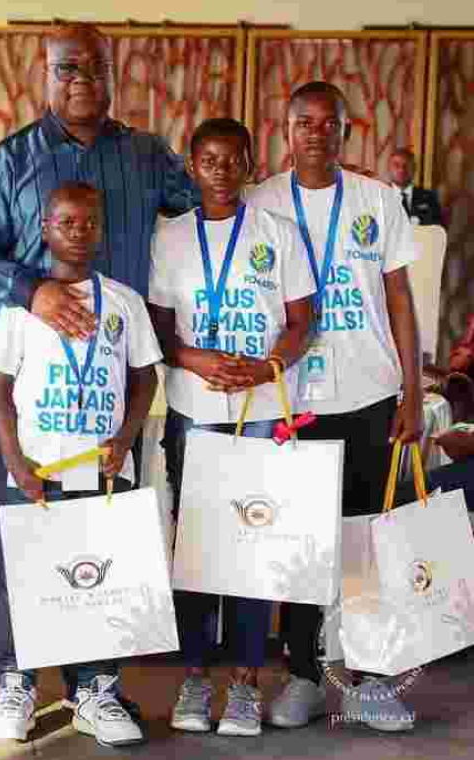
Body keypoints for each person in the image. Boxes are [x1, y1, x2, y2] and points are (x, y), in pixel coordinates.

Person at [0, 22, 196, 719]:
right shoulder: (10, 162)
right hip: (37, 392)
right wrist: (32, 289)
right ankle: (10, 676)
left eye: (94, 66)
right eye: (67, 68)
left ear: (113, 72)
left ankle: (98, 687)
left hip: (111, 389)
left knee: (103, 539)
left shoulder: (148, 156)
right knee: (22, 530)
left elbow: (210, 203)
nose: (81, 78)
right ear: (46, 75)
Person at [245, 81, 424, 732]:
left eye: (329, 123)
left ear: (347, 132)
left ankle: (369, 681)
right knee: (299, 545)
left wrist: (410, 388)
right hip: (291, 397)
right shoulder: (259, 200)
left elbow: (400, 299)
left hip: (369, 395)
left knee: (363, 545)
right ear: (285, 130)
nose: (316, 133)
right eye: (303, 122)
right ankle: (301, 676)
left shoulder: (378, 201)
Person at [148, 119, 314, 738]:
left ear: (249, 164)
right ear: (192, 168)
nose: (220, 169)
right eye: (208, 160)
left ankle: (244, 681)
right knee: (197, 547)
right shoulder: (171, 237)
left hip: (262, 411)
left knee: (251, 546)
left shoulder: (280, 235)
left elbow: (302, 321)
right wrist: (196, 359)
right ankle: (196, 674)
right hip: (195, 411)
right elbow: (159, 329)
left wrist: (269, 366)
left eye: (232, 159)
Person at [0, 182, 161, 745]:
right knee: (26, 579)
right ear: (46, 230)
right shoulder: (22, 306)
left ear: (101, 230)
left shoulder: (124, 303)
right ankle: (19, 682)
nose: (78, 232)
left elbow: (145, 377)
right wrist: (16, 462)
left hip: (103, 472)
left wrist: (125, 442)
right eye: (66, 223)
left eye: (88, 223)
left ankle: (95, 690)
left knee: (98, 580)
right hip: (37, 468)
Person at [388, 148, 444, 227]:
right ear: (389, 169)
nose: (401, 170)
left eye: (406, 165)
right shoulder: (381, 196)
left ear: (414, 168)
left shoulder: (429, 197)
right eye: (396, 165)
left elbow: (438, 229)